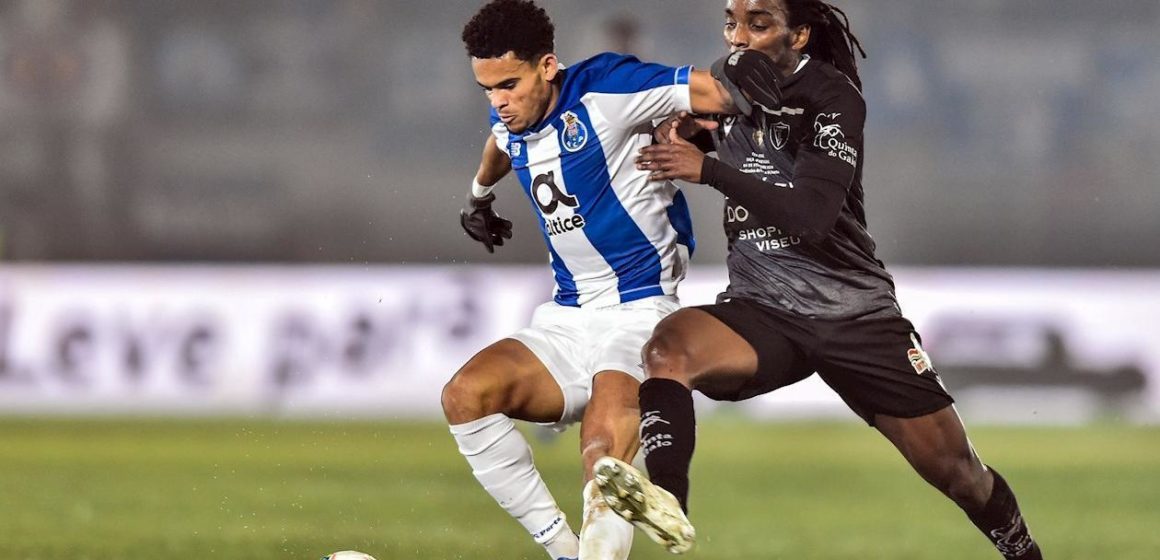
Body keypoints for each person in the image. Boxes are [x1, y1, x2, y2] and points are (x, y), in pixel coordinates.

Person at [592, 1, 1045, 559]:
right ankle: (668, 503)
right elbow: (746, 146)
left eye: (759, 23)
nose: (739, 36)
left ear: (799, 34)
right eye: (732, 20)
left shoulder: (832, 98)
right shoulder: (726, 85)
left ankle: (1025, 554)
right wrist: (696, 135)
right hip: (764, 310)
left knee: (960, 475)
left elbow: (812, 215)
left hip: (854, 315)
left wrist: (707, 168)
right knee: (668, 349)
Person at [441, 2, 781, 559]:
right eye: (487, 90)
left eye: (508, 84)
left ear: (547, 66)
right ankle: (565, 553)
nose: (499, 101)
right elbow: (500, 146)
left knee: (603, 456)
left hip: (641, 314)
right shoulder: (512, 118)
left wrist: (705, 122)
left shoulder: (609, 88)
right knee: (464, 395)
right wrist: (478, 196)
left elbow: (716, 93)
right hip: (566, 319)